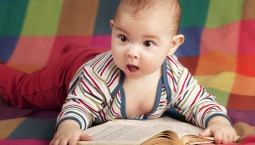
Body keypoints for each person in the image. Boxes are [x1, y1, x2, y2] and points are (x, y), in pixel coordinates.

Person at [0, 0, 238, 145]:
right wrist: (69, 126)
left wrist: (217, 120)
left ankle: (74, 50)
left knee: (94, 54)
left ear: (172, 46)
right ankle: (67, 56)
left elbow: (200, 102)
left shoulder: (173, 75)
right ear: (113, 30)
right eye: (123, 38)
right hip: (72, 73)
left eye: (147, 44)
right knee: (22, 90)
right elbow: (79, 106)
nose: (132, 53)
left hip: (98, 56)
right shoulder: (100, 76)